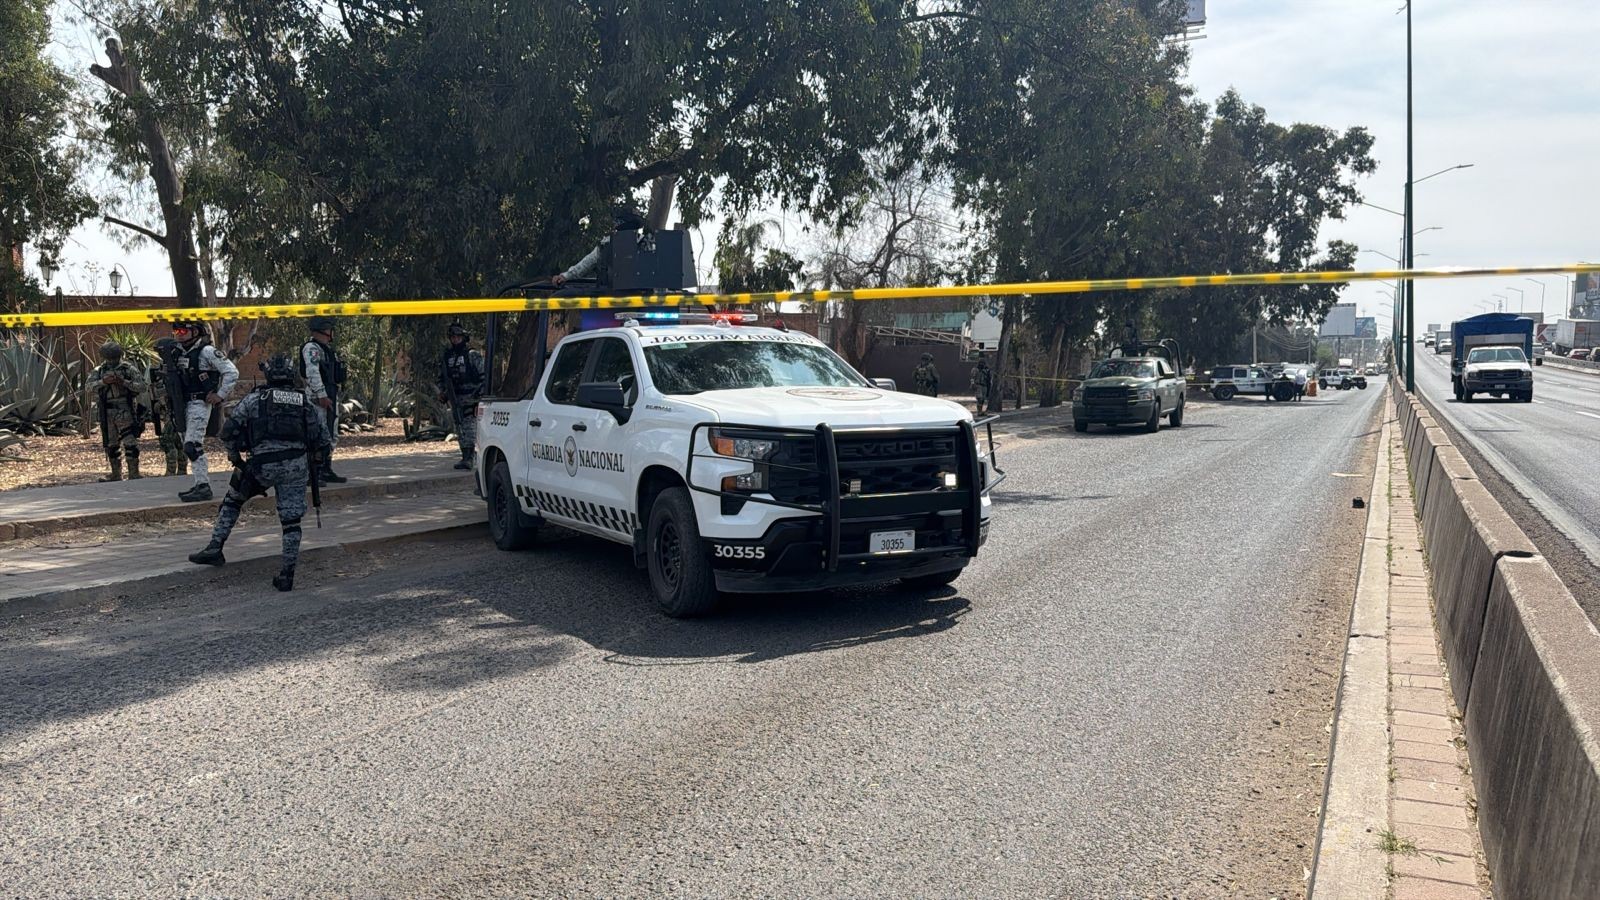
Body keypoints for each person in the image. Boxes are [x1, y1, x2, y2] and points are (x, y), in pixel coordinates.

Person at [188, 354, 332, 592]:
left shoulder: (255, 399)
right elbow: (324, 440)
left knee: (233, 499)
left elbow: (228, 432)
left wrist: (235, 458)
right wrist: (315, 463)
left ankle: (215, 547)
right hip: (296, 467)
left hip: (261, 466)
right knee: (291, 522)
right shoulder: (305, 402)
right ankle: (287, 575)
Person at [166, 320, 238, 502]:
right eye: (176, 331)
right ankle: (200, 483)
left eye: (183, 331)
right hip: (181, 404)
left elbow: (231, 372)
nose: (179, 334)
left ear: (196, 332)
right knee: (187, 445)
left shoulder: (207, 351)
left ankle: (203, 486)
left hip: (198, 403)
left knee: (193, 445)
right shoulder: (175, 352)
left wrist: (220, 395)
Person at [299, 317, 348, 485]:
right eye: (329, 329)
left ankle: (326, 468)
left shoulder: (326, 349)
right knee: (317, 433)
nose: (331, 333)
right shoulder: (312, 348)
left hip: (330, 394)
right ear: (324, 330)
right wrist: (321, 395)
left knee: (331, 433)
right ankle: (313, 472)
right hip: (318, 397)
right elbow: (312, 372)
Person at [89, 341, 148, 481]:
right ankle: (116, 474)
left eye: (113, 358)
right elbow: (88, 387)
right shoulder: (99, 371)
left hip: (124, 409)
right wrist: (103, 382)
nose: (111, 361)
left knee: (130, 442)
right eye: (108, 358)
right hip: (106, 410)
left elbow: (142, 387)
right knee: (111, 444)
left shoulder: (128, 369)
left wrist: (124, 382)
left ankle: (134, 473)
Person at [551, 204, 649, 287]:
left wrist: (565, 276)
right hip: (640, 296)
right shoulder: (647, 243)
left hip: (607, 295)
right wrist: (565, 276)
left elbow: (587, 263)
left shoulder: (607, 243)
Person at [437, 322, 486, 470]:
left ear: (463, 337)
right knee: (459, 427)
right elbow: (442, 377)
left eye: (458, 337)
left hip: (472, 397)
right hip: (455, 397)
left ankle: (469, 458)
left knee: (469, 427)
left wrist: (479, 397)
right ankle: (465, 456)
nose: (455, 339)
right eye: (453, 337)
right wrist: (443, 392)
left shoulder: (472, 355)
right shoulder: (447, 357)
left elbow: (484, 376)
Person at [148, 338, 187, 476]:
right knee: (178, 440)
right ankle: (181, 470)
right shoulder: (165, 367)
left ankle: (172, 471)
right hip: (169, 409)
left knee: (168, 440)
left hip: (176, 409)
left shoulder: (178, 366)